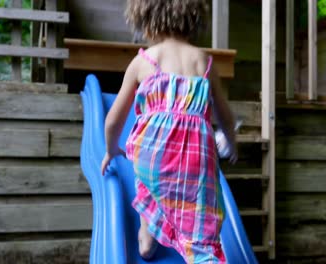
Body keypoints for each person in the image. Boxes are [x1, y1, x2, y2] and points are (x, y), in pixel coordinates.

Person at [100, 0, 238, 263]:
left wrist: (111, 149)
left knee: (150, 189)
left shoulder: (144, 61)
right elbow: (225, 117)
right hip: (197, 163)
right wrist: (231, 142)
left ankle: (147, 238)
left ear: (145, 17)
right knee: (198, 216)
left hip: (153, 156)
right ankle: (201, 254)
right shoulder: (203, 62)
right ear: (194, 16)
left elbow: (112, 122)